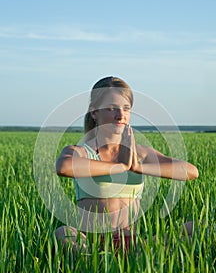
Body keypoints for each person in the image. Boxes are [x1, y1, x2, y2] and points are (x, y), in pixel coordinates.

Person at [55, 76, 198, 253]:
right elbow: (64, 167)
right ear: (94, 112)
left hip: (131, 241)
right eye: (111, 108)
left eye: (126, 108)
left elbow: (191, 171)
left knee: (199, 228)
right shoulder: (82, 151)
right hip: (90, 241)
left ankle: (130, 258)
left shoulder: (140, 153)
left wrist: (137, 167)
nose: (120, 115)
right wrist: (119, 167)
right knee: (63, 233)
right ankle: (96, 263)